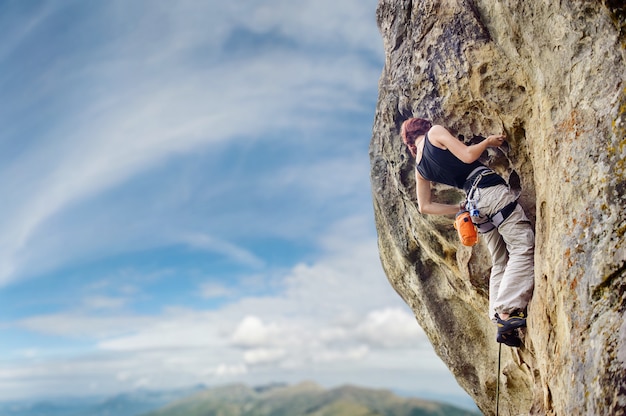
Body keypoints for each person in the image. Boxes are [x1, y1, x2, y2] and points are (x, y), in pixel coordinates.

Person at [400, 118, 535, 347]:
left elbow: (425, 207)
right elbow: (468, 156)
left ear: (410, 142)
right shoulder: (435, 132)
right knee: (522, 246)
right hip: (489, 191)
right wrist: (488, 142)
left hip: (474, 206)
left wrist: (459, 209)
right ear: (423, 127)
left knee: (500, 260)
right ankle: (506, 313)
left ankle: (497, 315)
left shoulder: (420, 169)